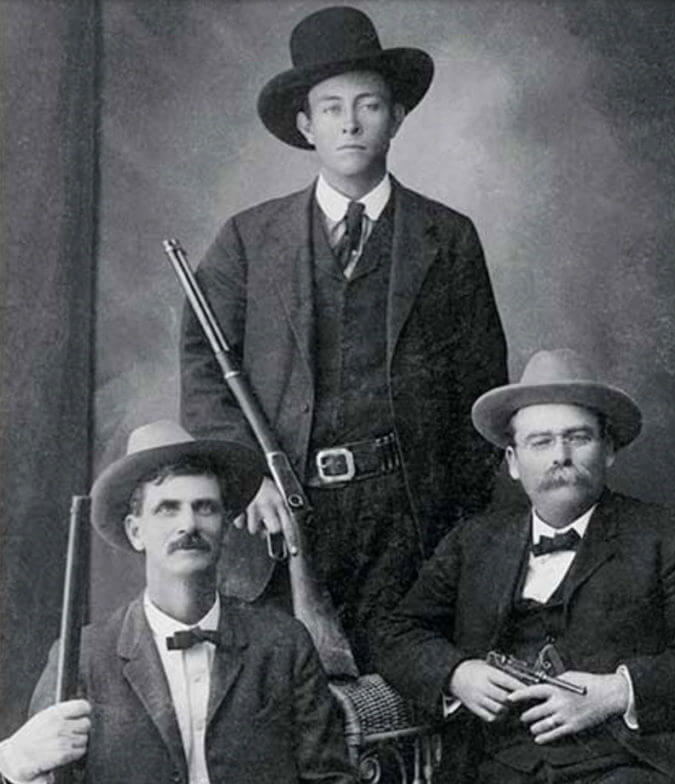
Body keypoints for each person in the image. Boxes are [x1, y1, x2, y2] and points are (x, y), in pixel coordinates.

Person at [179, 6, 507, 671]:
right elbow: (203, 372)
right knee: (281, 691)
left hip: (411, 523)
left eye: (369, 105)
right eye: (331, 109)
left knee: (407, 691)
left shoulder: (449, 238)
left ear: (398, 117)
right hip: (281, 520)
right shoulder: (247, 239)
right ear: (306, 126)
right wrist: (247, 477)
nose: (350, 123)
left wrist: (451, 518)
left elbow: (482, 390)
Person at [373, 349, 675, 783]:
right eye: (541, 441)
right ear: (513, 462)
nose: (561, 455)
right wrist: (457, 674)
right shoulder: (473, 541)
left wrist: (615, 692)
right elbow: (395, 632)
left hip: (625, 763)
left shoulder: (664, 536)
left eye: (578, 437)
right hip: (494, 767)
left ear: (608, 450)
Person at [0, 421, 354, 784]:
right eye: (168, 509)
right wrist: (13, 762)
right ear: (136, 532)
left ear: (225, 525)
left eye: (205, 508)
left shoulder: (283, 644)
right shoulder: (84, 657)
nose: (189, 524)